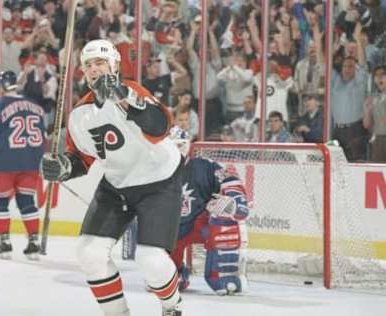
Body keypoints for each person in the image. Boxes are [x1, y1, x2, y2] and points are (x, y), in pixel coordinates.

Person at [40, 39, 184, 316]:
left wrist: (123, 98)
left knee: (150, 259)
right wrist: (64, 167)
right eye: (89, 65)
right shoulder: (80, 114)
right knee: (88, 252)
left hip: (159, 180)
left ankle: (172, 306)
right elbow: (82, 158)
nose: (94, 69)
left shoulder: (131, 91)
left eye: (100, 63)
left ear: (114, 65)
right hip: (117, 185)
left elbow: (161, 126)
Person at [0, 70, 46, 260]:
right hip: (30, 162)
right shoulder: (35, 105)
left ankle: (4, 241)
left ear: (0, 85)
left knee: (0, 201)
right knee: (27, 201)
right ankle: (34, 242)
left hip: (4, 162)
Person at [168, 126, 249, 295]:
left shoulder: (204, 167)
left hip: (199, 224)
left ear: (188, 145)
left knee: (223, 219)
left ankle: (224, 276)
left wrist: (236, 200)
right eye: (172, 145)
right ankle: (175, 273)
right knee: (163, 278)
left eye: (180, 144)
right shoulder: (153, 171)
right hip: (168, 230)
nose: (177, 150)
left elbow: (230, 180)